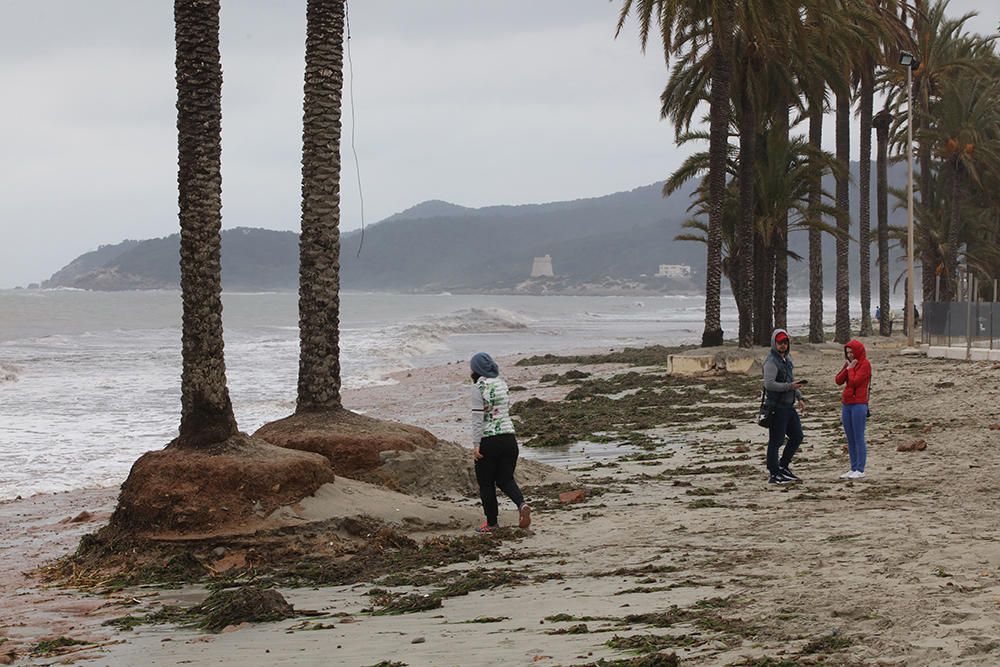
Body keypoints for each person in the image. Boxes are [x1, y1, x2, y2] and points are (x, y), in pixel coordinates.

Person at [468, 352, 531, 532]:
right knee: (505, 479)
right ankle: (521, 505)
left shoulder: (478, 387)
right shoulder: (502, 384)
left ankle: (492, 523)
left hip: (489, 440)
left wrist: (476, 444)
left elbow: (478, 418)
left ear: (476, 369)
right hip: (509, 439)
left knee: (486, 483)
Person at [762, 329, 806, 484]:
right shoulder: (771, 361)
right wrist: (789, 387)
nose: (783, 345)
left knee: (797, 436)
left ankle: (783, 466)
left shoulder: (786, 359)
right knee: (776, 441)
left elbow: (792, 380)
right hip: (776, 407)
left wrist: (799, 397)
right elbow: (769, 384)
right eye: (780, 342)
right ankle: (774, 474)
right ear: (774, 343)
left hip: (789, 406)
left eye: (785, 342)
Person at [835, 339, 872, 480]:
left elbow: (855, 381)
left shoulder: (865, 364)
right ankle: (853, 467)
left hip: (859, 404)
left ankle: (860, 469)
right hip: (847, 403)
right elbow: (838, 380)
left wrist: (850, 370)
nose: (850, 355)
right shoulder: (849, 364)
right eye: (847, 352)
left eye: (852, 352)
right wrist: (847, 368)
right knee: (850, 438)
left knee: (858, 437)